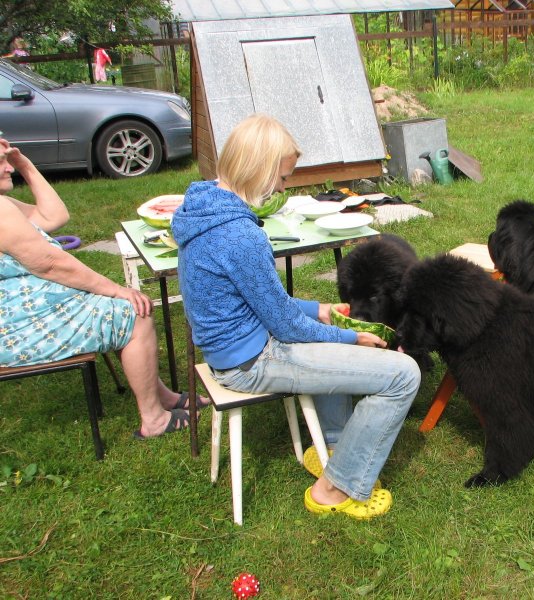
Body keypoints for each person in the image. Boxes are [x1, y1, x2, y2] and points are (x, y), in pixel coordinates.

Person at [171, 114, 421, 520]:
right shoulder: (240, 235)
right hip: (251, 362)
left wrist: (319, 311)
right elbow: (285, 326)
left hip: (233, 350)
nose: (283, 188)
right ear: (261, 171)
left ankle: (336, 445)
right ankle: (336, 486)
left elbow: (262, 301)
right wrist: (350, 338)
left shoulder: (202, 210)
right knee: (403, 374)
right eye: (283, 178)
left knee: (324, 327)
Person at [0, 138, 207, 439]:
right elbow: (50, 264)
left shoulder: (3, 204)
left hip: (20, 308)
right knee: (136, 314)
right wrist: (115, 289)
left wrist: (24, 165)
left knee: (125, 308)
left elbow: (54, 217)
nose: (8, 167)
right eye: (1, 162)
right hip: (16, 327)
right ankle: (153, 419)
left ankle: (162, 397)